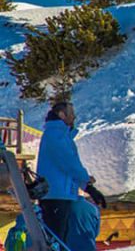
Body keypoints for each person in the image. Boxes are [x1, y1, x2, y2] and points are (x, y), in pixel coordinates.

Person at [36, 101, 105, 250]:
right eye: (71, 113)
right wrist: (86, 180)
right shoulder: (55, 135)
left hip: (62, 194)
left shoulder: (62, 136)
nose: (74, 117)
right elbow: (69, 163)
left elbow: (68, 169)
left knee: (61, 240)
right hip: (55, 195)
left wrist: (88, 187)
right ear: (62, 114)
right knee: (56, 240)